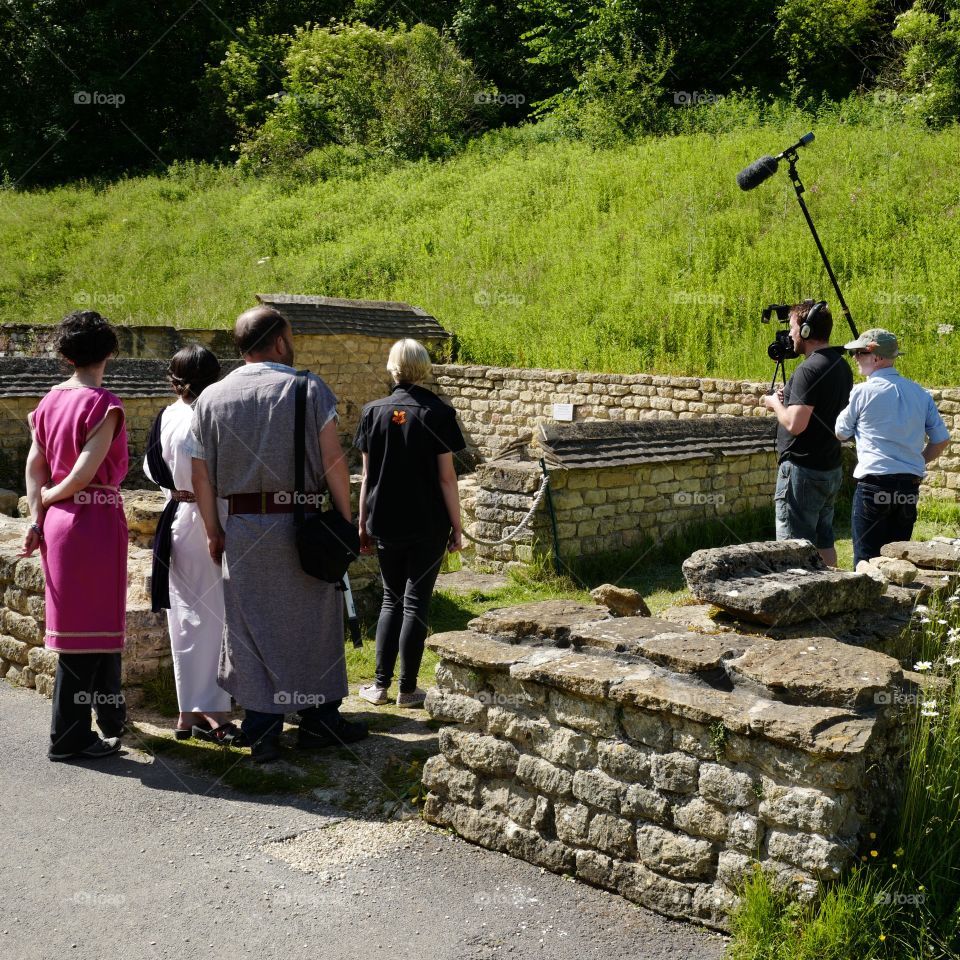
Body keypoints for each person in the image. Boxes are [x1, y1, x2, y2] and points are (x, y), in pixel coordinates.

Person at [188, 306, 367, 763]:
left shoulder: (210, 398)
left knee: (249, 626)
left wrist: (213, 530)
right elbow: (333, 462)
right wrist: (345, 523)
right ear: (281, 342)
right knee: (313, 622)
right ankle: (319, 721)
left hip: (244, 528)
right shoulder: (306, 387)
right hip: (302, 525)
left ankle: (263, 729)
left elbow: (201, 477)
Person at [22, 311, 128, 761]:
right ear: (108, 351)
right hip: (94, 521)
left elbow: (34, 465)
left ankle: (107, 717)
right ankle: (68, 737)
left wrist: (36, 513)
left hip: (58, 524)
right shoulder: (103, 403)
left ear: (65, 354)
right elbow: (84, 472)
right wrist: (51, 496)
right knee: (88, 633)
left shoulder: (48, 401)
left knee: (84, 631)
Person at [355, 338, 465, 708]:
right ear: (425, 367)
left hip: (384, 519)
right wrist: (458, 526)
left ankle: (380, 686)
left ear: (392, 366)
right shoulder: (438, 413)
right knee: (416, 603)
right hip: (428, 522)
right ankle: (407, 689)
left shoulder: (373, 411)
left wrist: (362, 523)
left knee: (391, 600)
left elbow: (367, 476)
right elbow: (447, 479)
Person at [144, 345, 237, 743]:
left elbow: (151, 467)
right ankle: (213, 712)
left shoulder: (166, 415)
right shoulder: (214, 414)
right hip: (210, 518)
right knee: (215, 616)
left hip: (176, 520)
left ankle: (187, 713)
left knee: (184, 618)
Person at [835, 328, 950, 568]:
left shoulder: (862, 392)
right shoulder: (920, 393)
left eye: (859, 353)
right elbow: (941, 440)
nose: (854, 358)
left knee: (865, 562)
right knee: (897, 560)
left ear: (875, 357)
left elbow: (841, 432)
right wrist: (914, 460)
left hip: (874, 485)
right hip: (908, 485)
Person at [760, 299, 853, 567]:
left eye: (792, 327)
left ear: (806, 331)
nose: (789, 334)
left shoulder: (808, 369)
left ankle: (797, 602)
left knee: (792, 548)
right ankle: (832, 596)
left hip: (802, 470)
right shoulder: (840, 364)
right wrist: (789, 396)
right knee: (824, 541)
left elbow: (795, 425)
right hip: (829, 466)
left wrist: (774, 403)